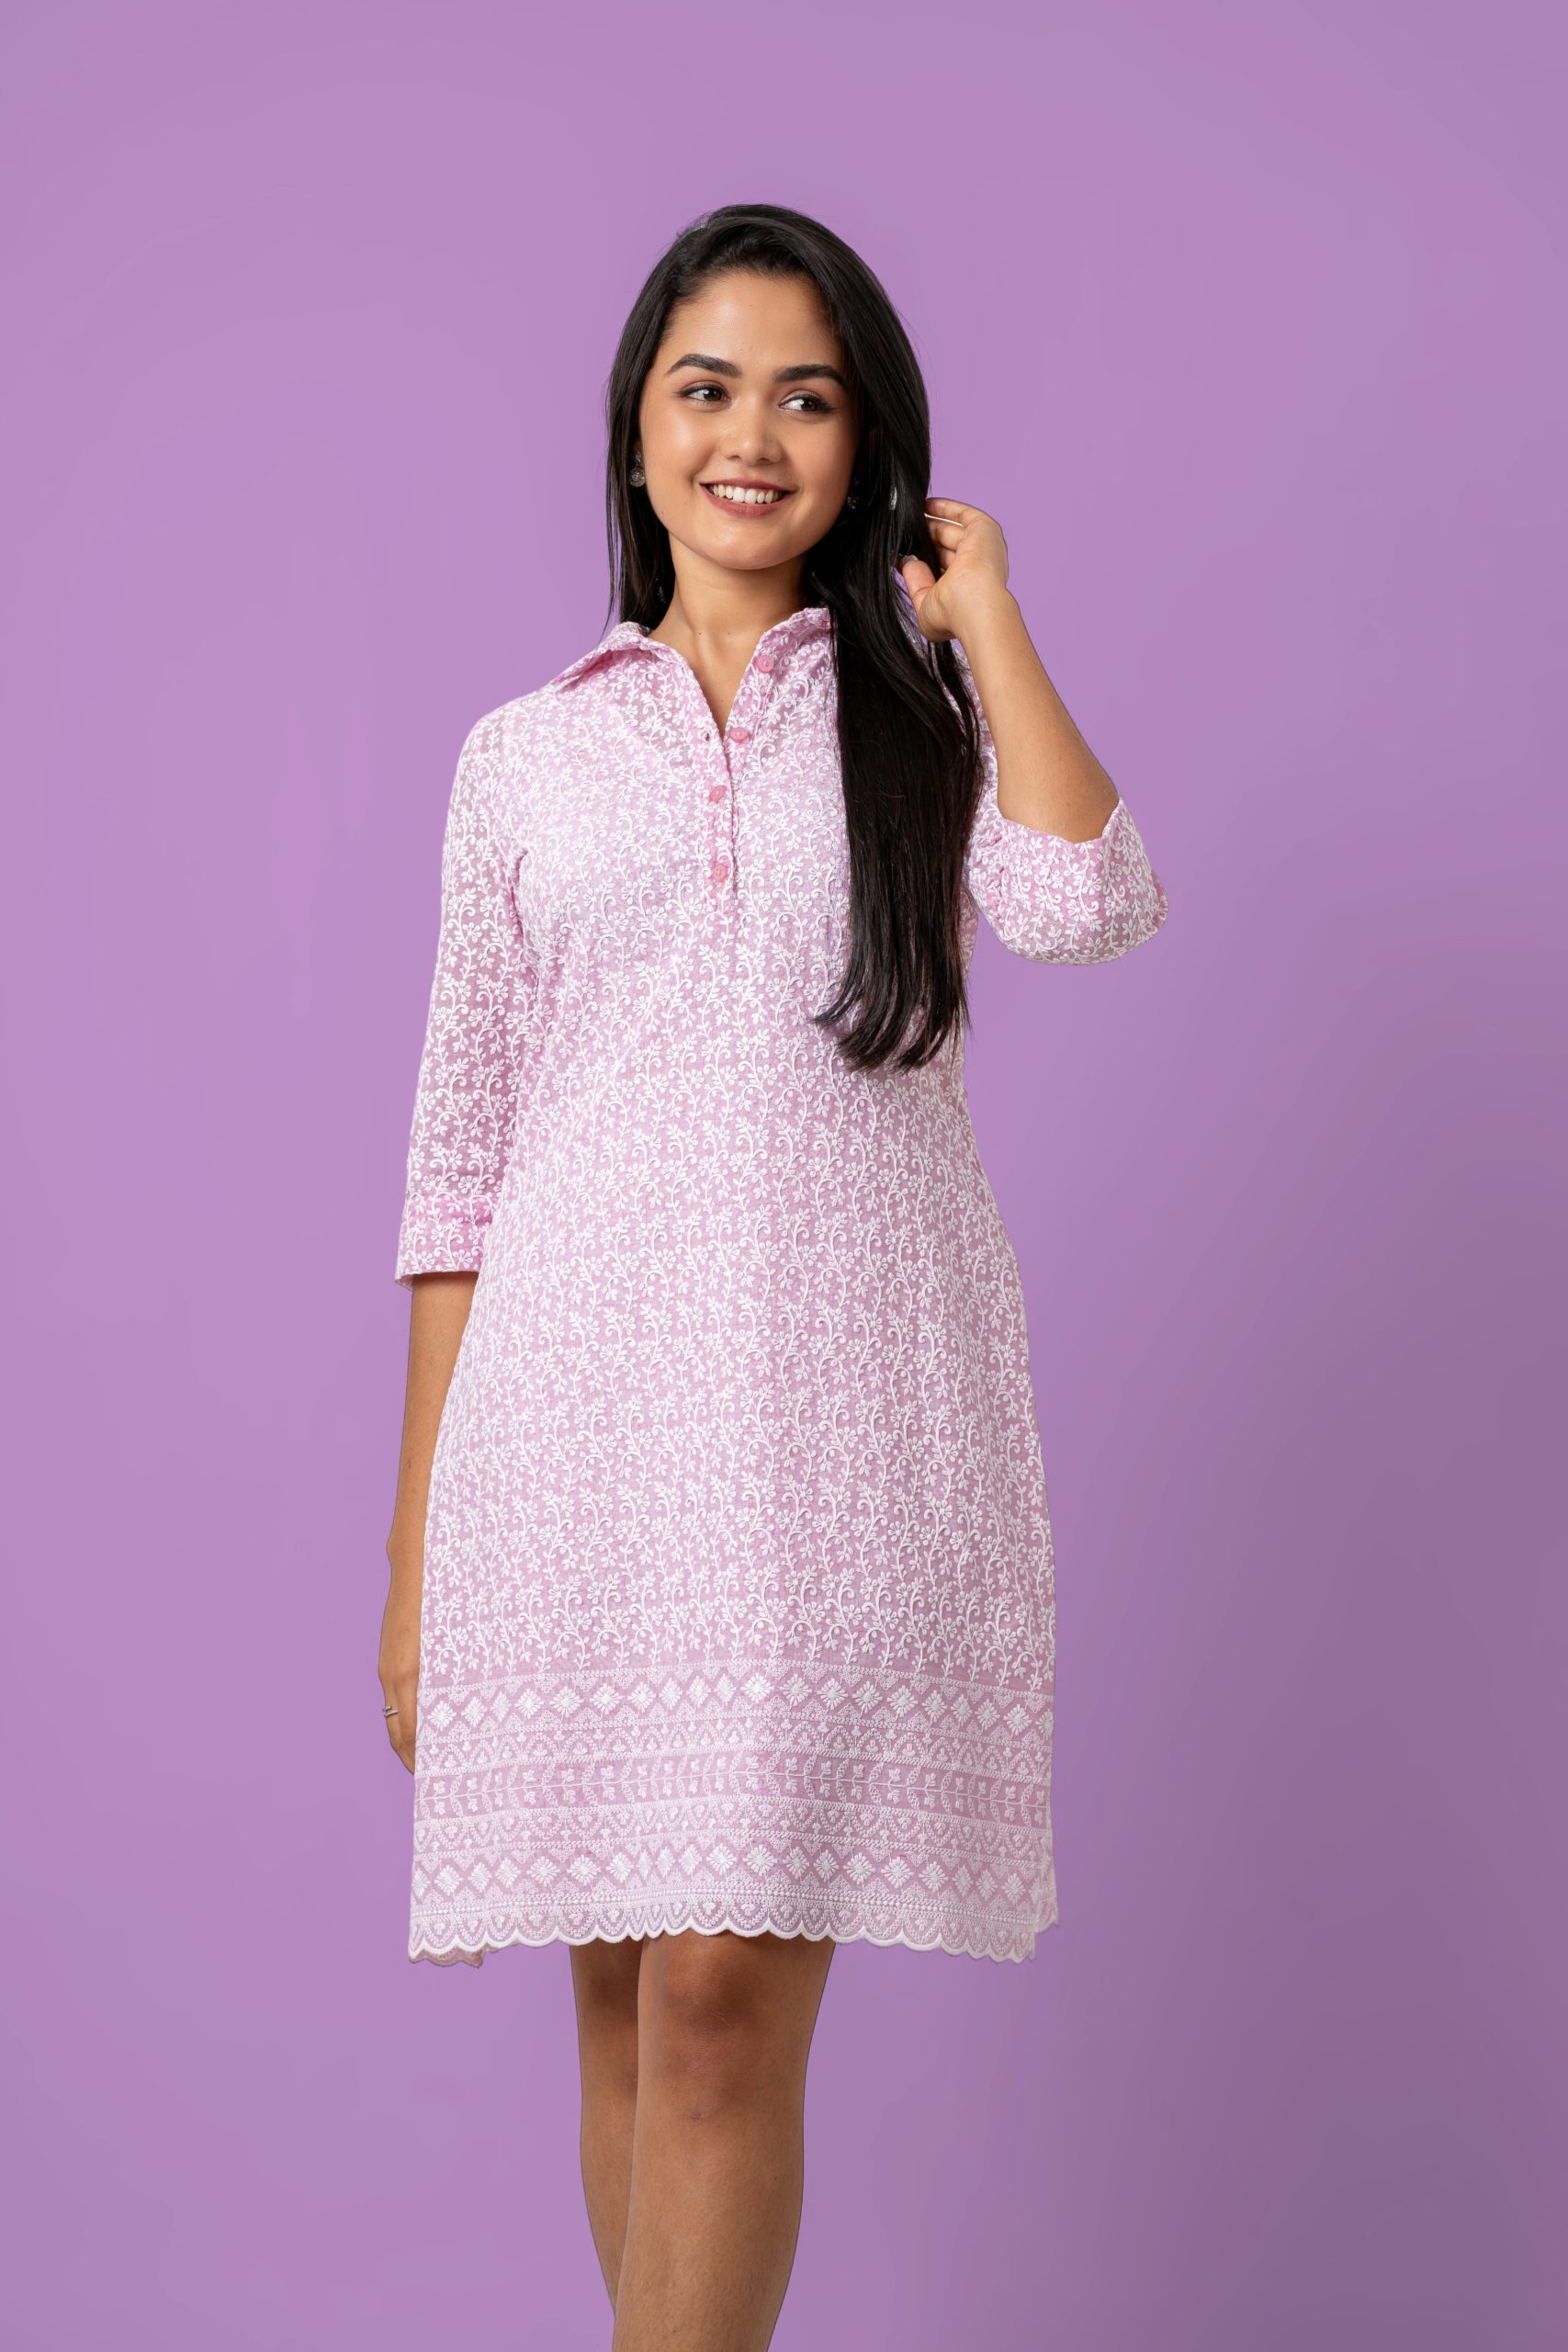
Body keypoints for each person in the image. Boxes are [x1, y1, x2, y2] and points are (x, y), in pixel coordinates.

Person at [380, 201, 1168, 2350]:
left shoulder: (920, 725)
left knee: (723, 1988)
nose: (750, 435)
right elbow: (456, 1174)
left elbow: (1089, 902)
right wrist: (416, 1556)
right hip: (570, 1447)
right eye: (705, 386)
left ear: (865, 439)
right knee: (627, 2002)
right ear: (635, 425)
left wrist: (983, 612)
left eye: (804, 396)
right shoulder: (522, 753)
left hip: (834, 1437)